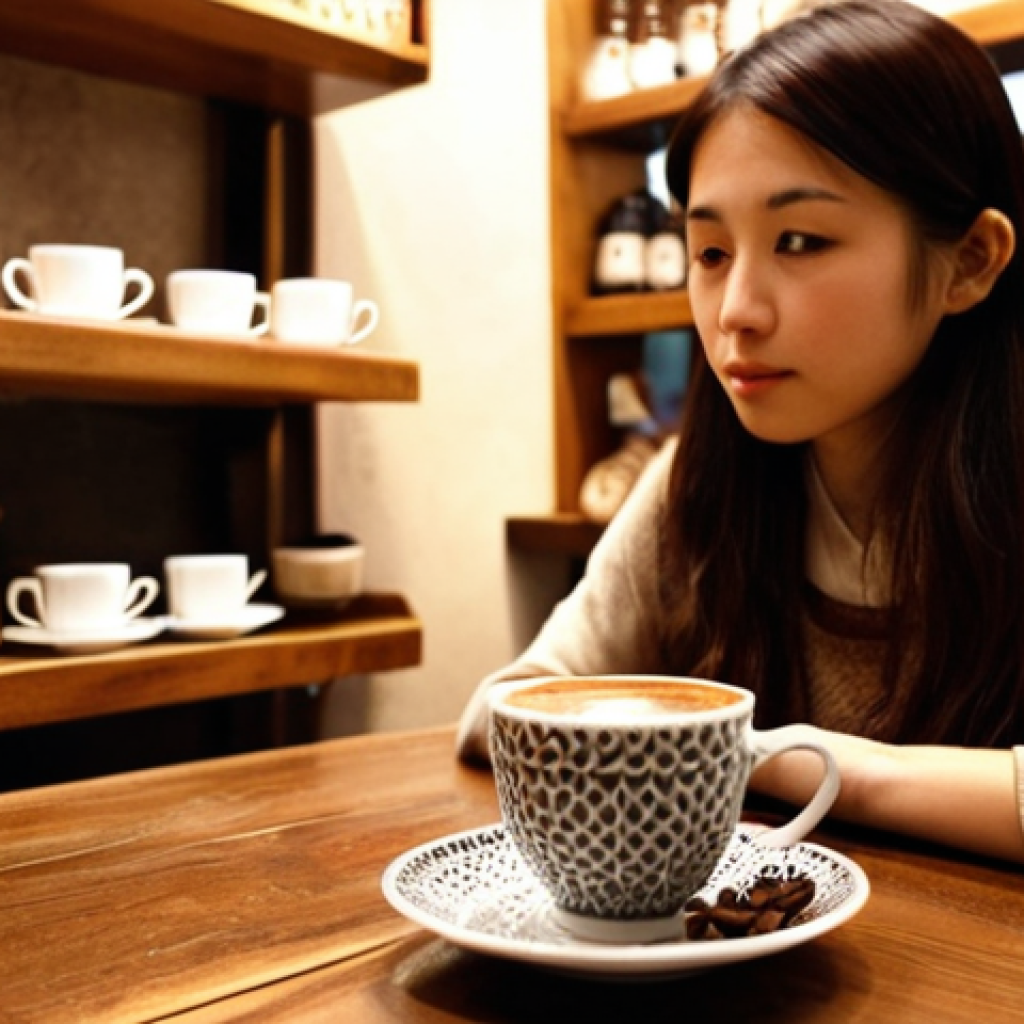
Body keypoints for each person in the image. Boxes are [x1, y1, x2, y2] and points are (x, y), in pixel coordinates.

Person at [457, 0, 1024, 864]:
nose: (735, 314)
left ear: (971, 261)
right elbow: (504, 709)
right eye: (711, 252)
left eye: (799, 240)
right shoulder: (699, 482)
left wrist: (835, 770)